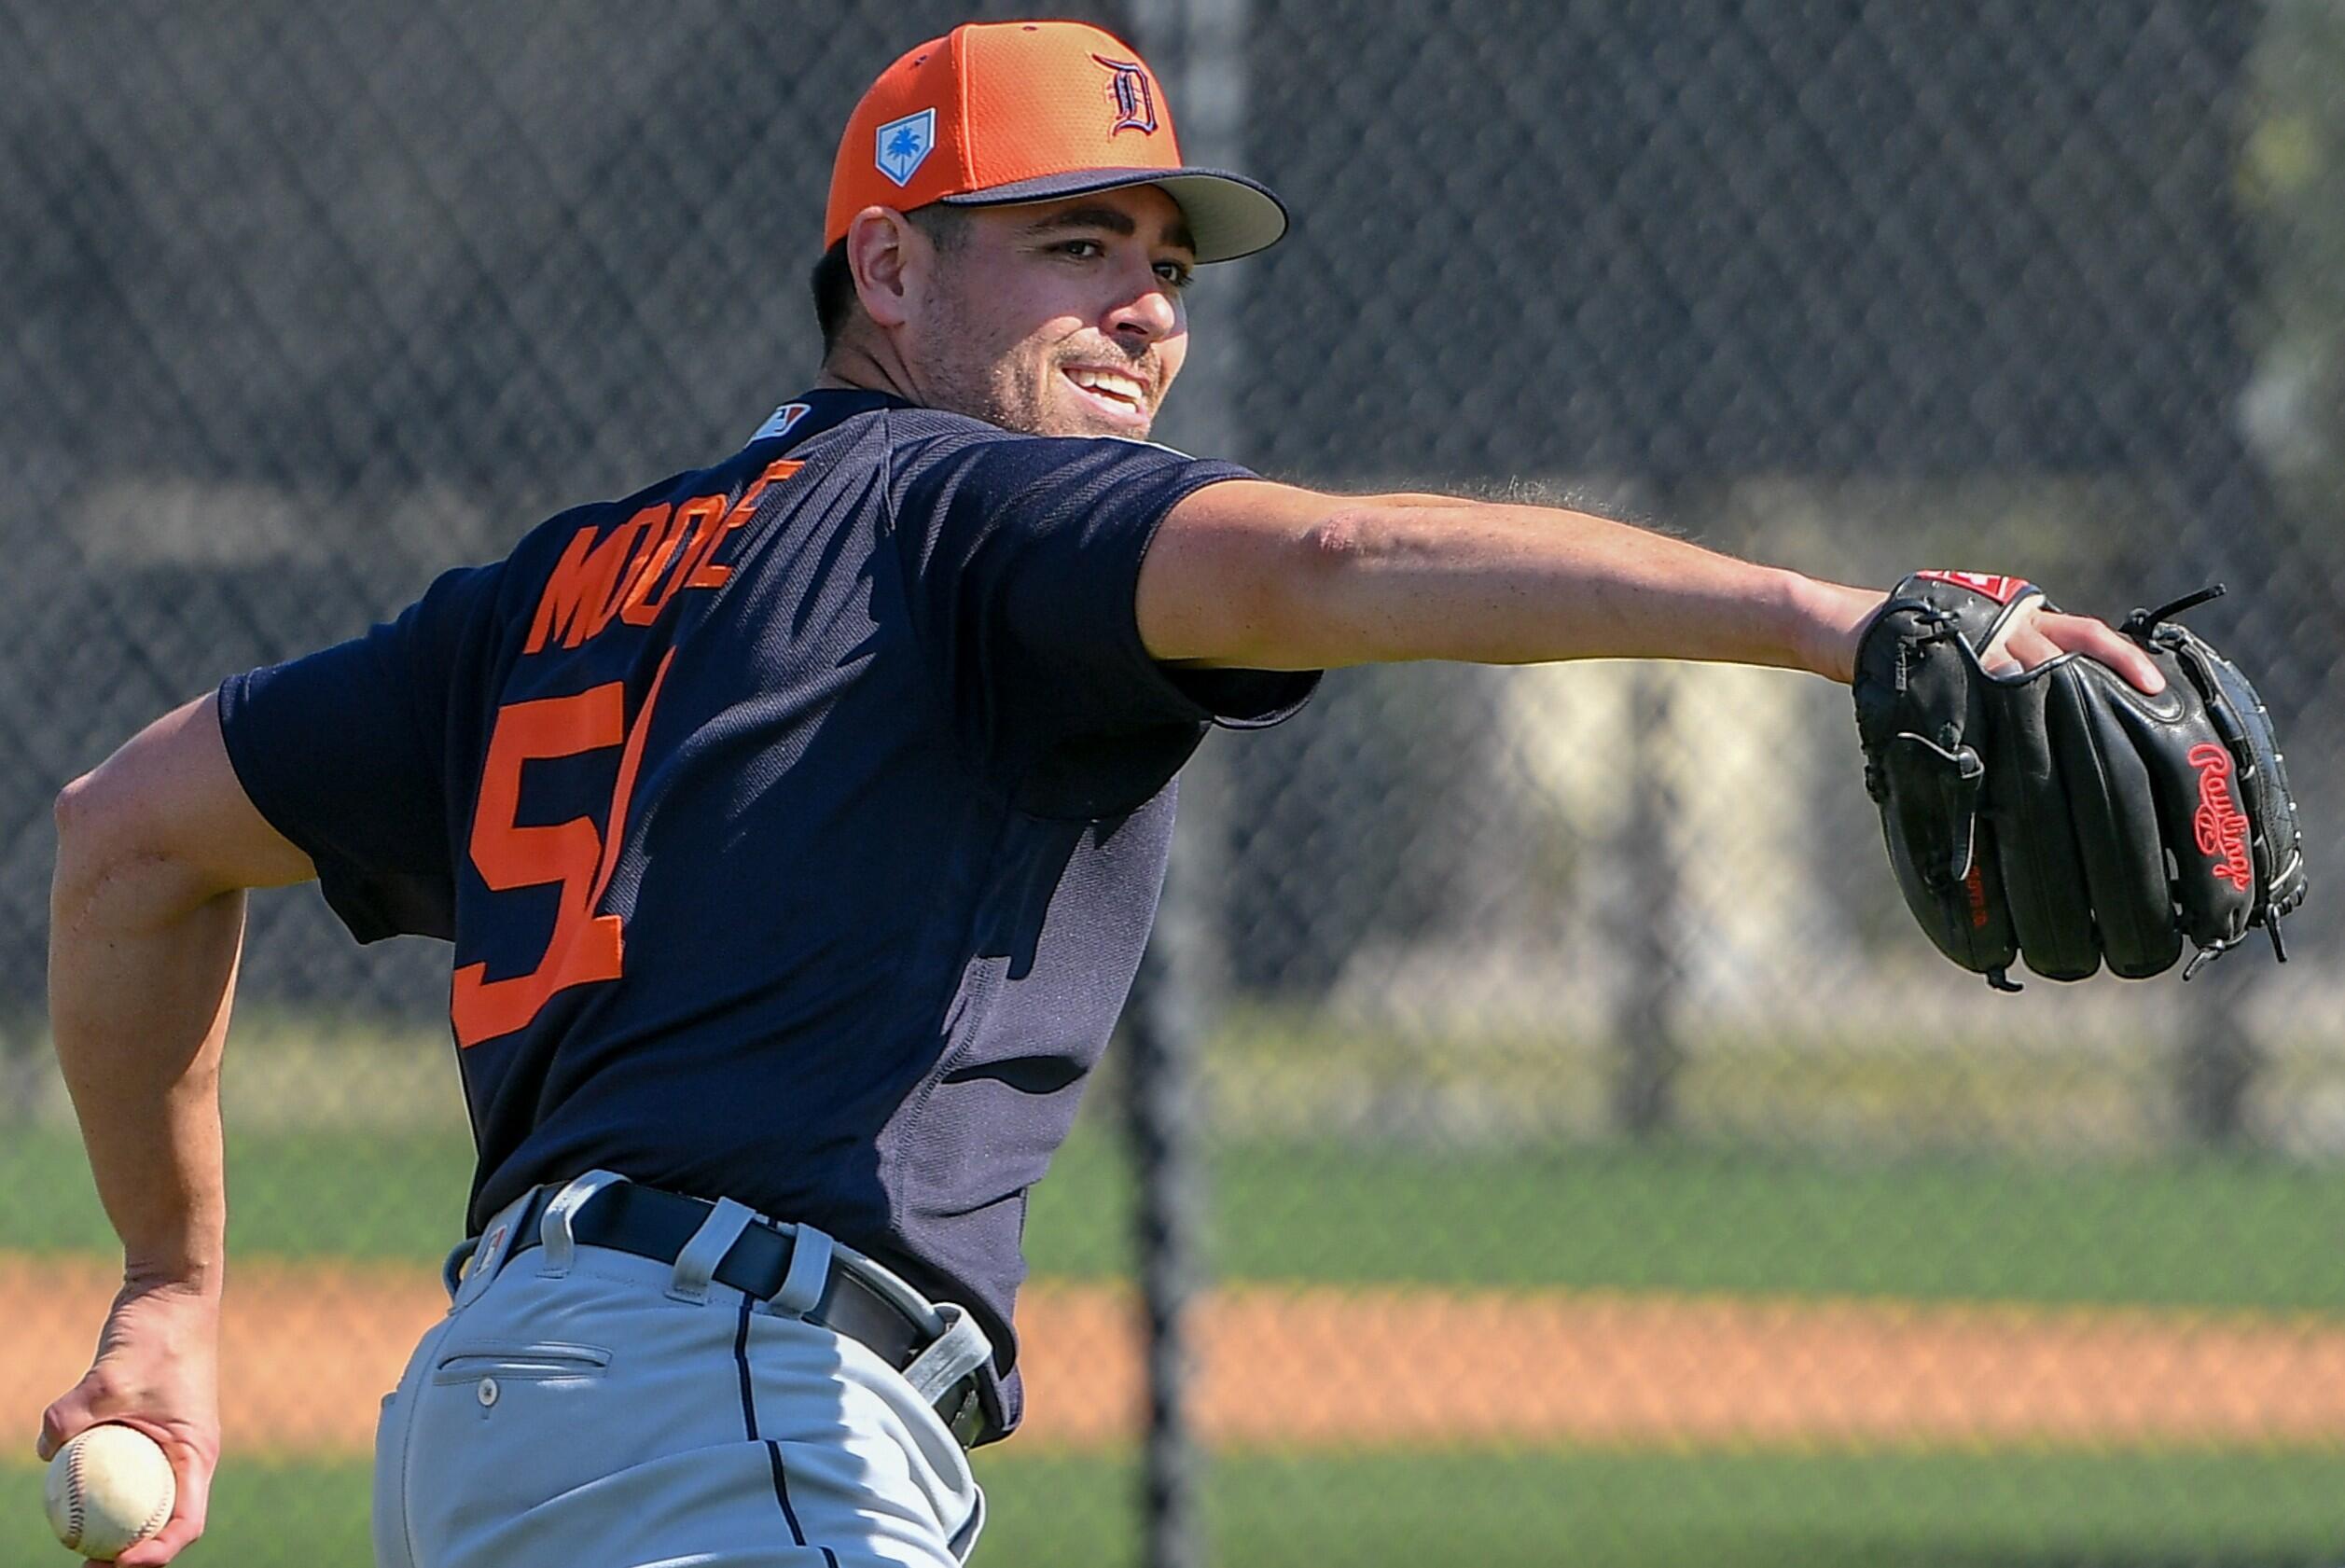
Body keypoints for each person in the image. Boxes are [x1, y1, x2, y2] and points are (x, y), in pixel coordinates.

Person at [38, 19, 2168, 1568]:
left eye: (1164, 254)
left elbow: (127, 838)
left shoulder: (546, 591)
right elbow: (1334, 563)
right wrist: (1826, 618)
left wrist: (170, 1283)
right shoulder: (975, 513)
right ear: (891, 271)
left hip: (488, 1427)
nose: (1146, 303)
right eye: (1072, 243)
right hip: (738, 1407)